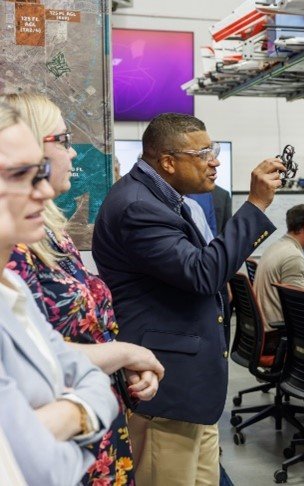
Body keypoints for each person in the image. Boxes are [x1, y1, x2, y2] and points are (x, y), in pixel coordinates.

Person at [92, 112, 284, 485]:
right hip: (166, 386)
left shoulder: (164, 200)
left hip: (191, 391)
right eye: (203, 154)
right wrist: (256, 206)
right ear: (167, 161)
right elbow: (202, 273)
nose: (214, 161)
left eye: (212, 151)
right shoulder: (138, 206)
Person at [1, 92, 164, 485]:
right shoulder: (18, 251)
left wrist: (109, 372)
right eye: (21, 174)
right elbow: (35, 461)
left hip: (93, 439)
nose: (74, 155)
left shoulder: (41, 246)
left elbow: (61, 355)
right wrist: (87, 402)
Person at [0, 101, 118, 485]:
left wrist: (64, 416)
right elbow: (45, 468)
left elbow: (86, 373)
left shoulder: (12, 288)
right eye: (20, 175)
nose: (40, 191)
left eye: (39, 174)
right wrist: (84, 415)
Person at [254, 203, 304, 331]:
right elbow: (298, 309)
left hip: (263, 330)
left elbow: (298, 293)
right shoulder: (294, 256)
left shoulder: (278, 246)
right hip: (277, 334)